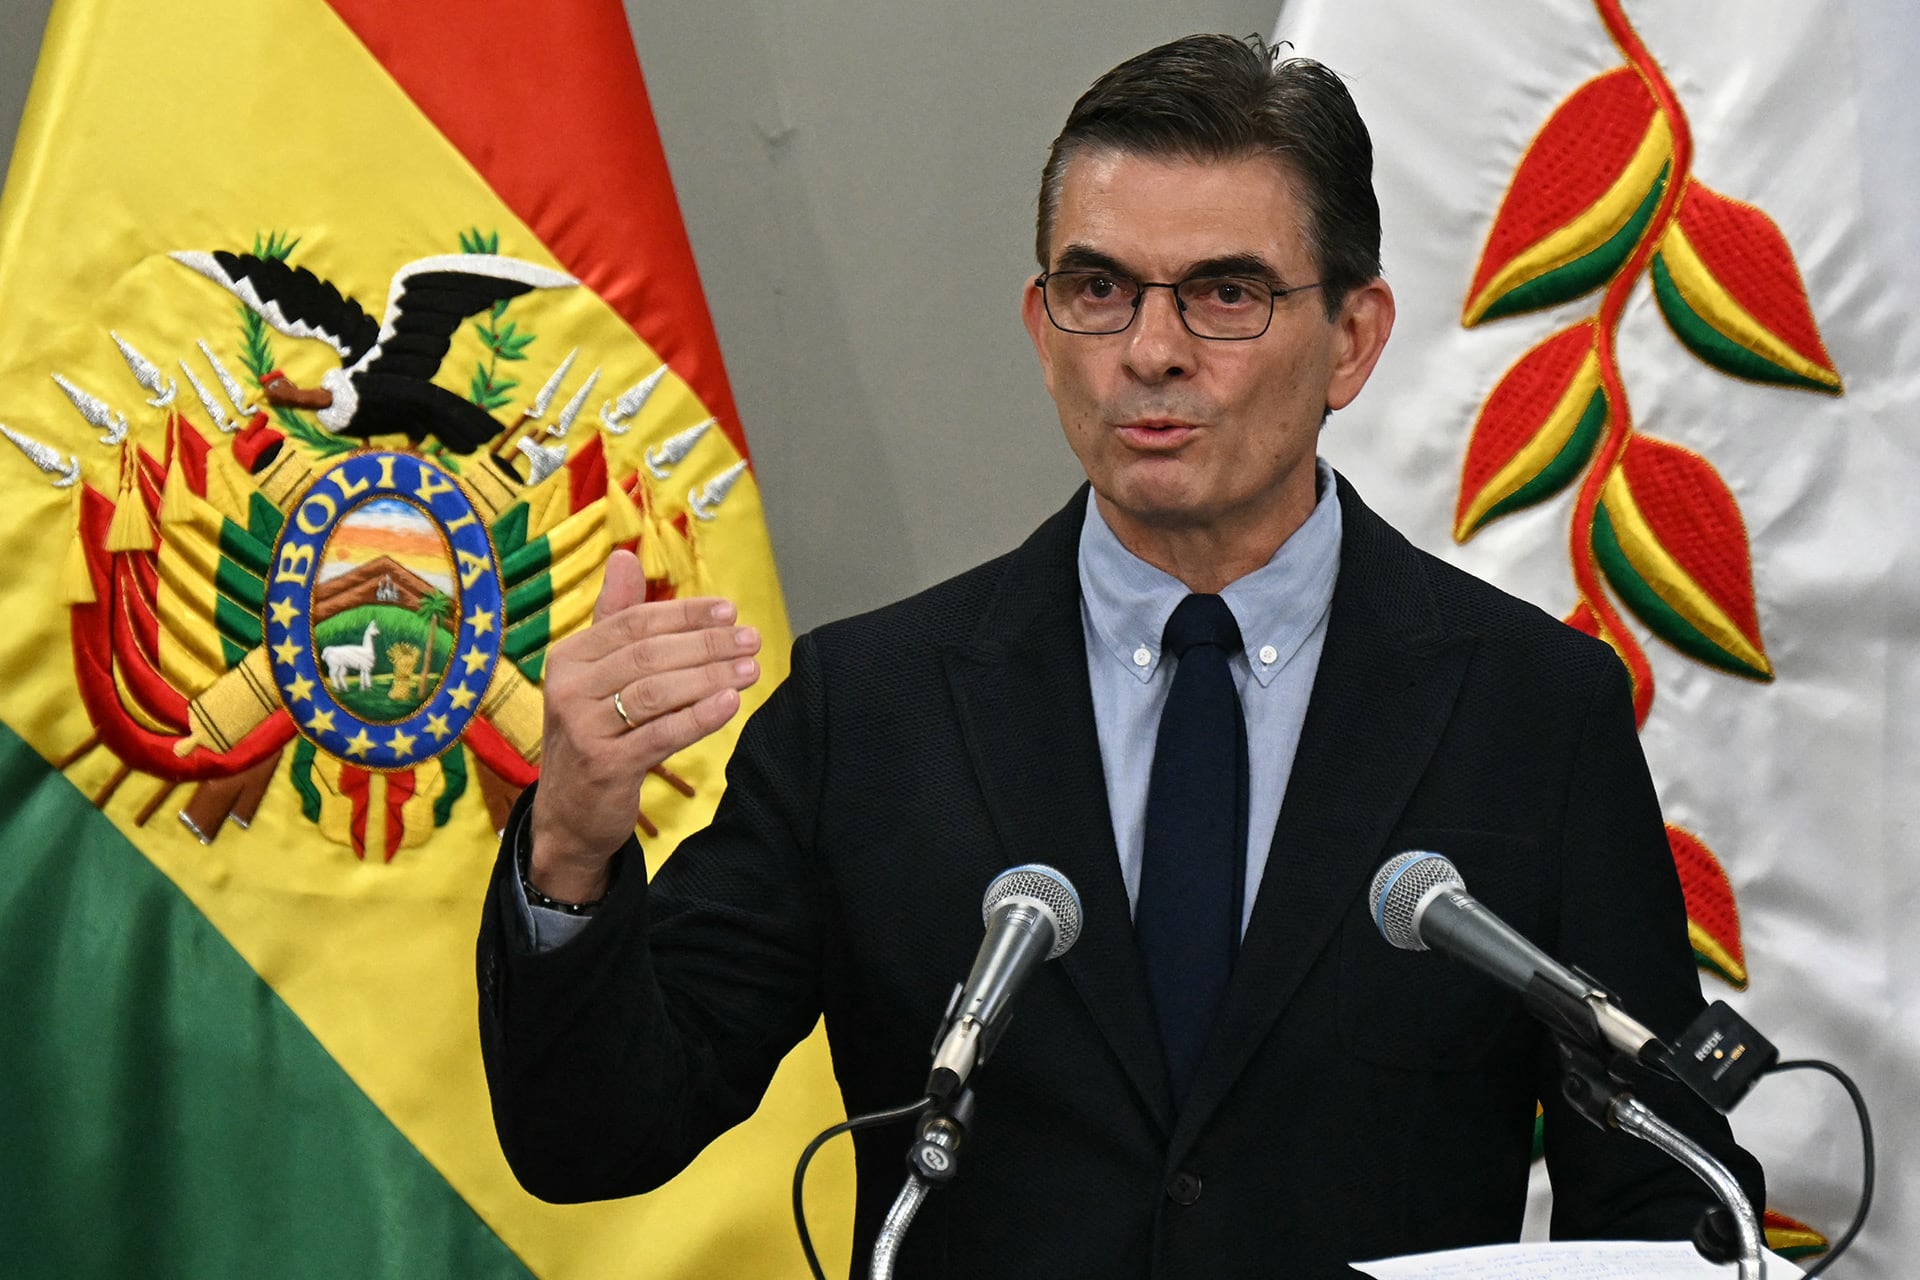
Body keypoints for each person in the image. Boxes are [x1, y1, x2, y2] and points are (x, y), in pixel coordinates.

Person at [477, 34, 1763, 1278]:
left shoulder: (1532, 711)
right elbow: (599, 1134)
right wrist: (572, 846)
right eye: (1100, 291)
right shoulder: (870, 710)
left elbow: (1666, 1197)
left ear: (1354, 338)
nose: (1151, 350)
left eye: (1226, 294)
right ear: (1043, 330)